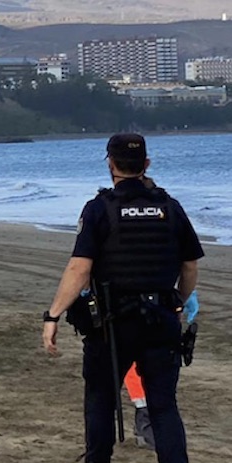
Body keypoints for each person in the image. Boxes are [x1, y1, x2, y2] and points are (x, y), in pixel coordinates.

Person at [42, 133, 203, 463]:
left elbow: (79, 269)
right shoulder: (170, 208)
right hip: (160, 319)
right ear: (146, 164)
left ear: (110, 165)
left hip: (112, 325)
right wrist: (177, 302)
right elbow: (189, 267)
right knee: (163, 407)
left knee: (101, 401)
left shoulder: (100, 209)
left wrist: (53, 315)